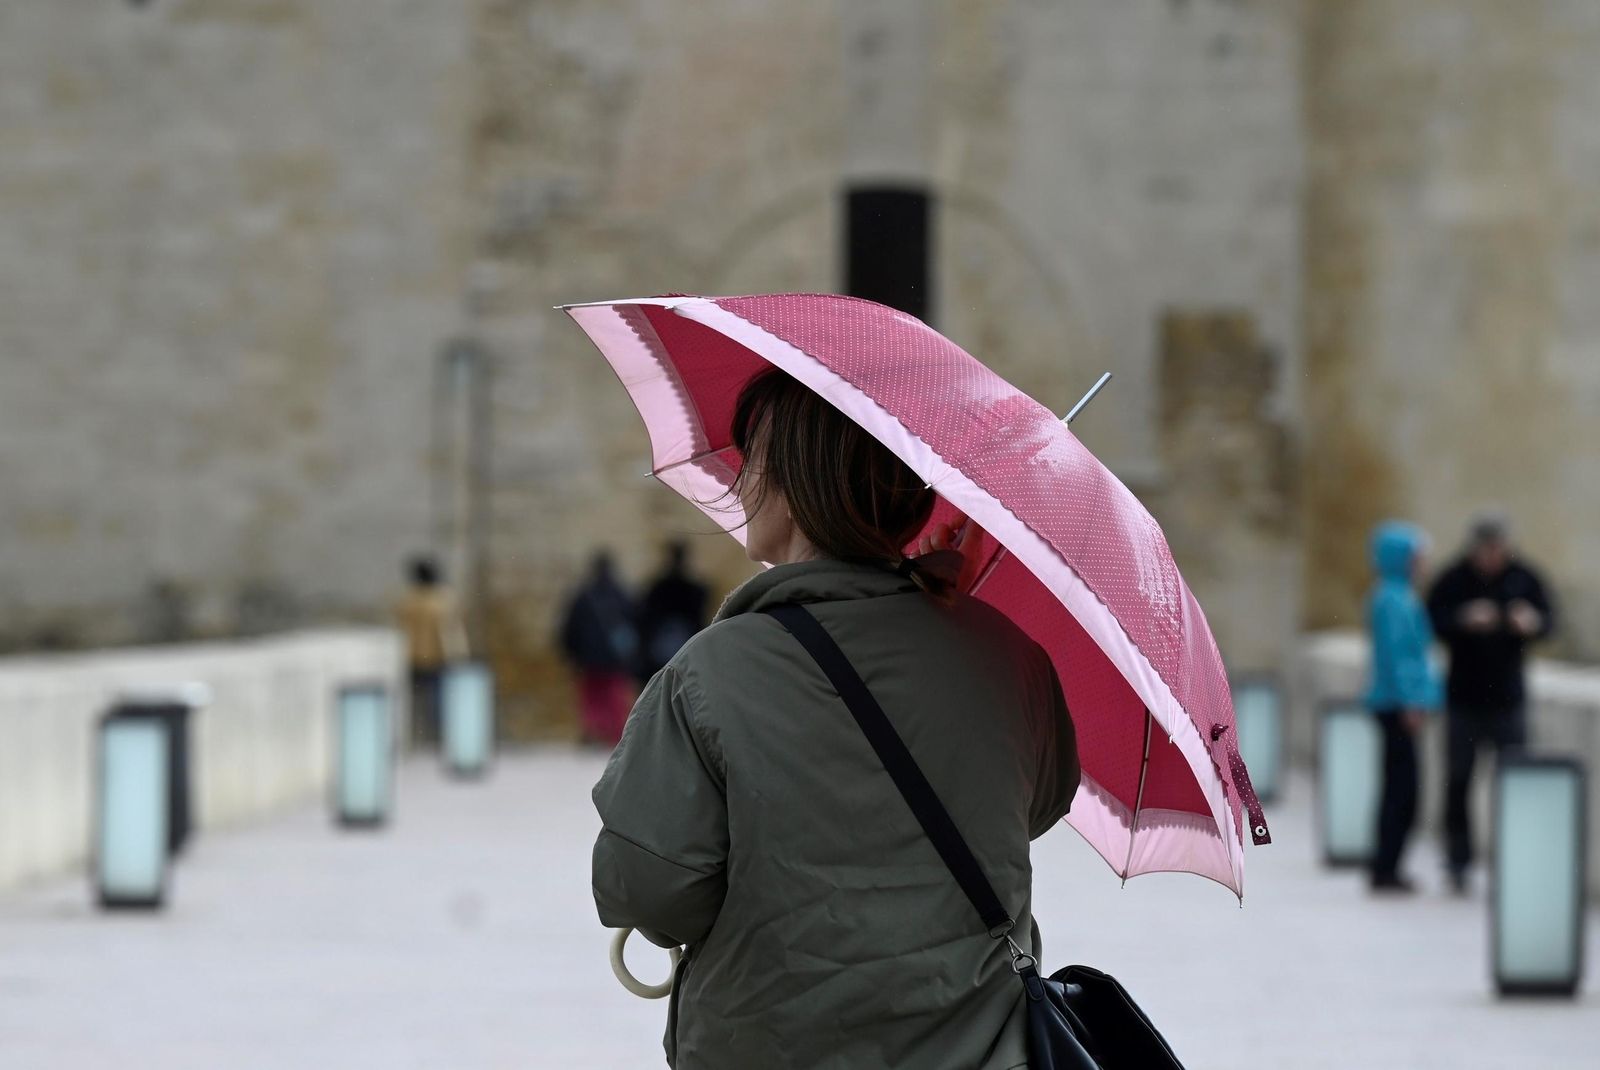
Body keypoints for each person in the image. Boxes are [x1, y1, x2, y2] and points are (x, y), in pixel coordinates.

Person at [590, 370, 1080, 1069]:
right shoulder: (1007, 655)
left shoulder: (710, 673)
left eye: (751, 460)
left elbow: (648, 891)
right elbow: (1037, 803)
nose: (738, 483)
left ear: (797, 484)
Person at [1426, 512, 1554, 893]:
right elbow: (1432, 619)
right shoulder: (1454, 578)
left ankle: (1516, 857)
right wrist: (1463, 619)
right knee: (1459, 782)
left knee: (1516, 783)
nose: (1492, 555)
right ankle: (1458, 859)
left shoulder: (1526, 577)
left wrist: (1530, 623)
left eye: (1498, 547)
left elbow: (1550, 621)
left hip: (1508, 701)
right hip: (1464, 699)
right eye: (1486, 548)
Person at [1364, 521, 1442, 895]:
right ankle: (1386, 867)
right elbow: (1401, 657)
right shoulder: (1395, 599)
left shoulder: (1394, 595)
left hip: (1395, 703)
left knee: (1399, 787)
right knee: (1402, 790)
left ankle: (1388, 865)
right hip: (1398, 706)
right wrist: (1413, 700)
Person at [560, 551, 640, 746]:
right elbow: (636, 623)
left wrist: (572, 654)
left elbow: (571, 627)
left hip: (589, 659)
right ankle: (615, 734)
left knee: (592, 697)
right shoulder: (621, 595)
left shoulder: (584, 596)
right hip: (615, 658)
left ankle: (593, 731)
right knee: (615, 698)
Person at [395, 556, 468, 746]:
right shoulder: (443, 601)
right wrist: (458, 655)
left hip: (413, 658)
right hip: (437, 659)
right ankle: (438, 740)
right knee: (438, 705)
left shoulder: (408, 601)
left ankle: (415, 740)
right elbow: (450, 633)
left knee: (413, 704)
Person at [633, 541, 709, 685]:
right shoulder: (696, 590)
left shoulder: (656, 587)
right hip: (686, 654)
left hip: (657, 655)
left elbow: (644, 619)